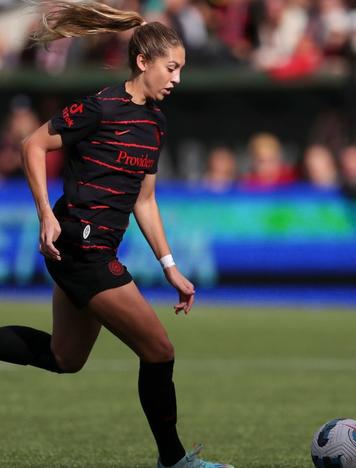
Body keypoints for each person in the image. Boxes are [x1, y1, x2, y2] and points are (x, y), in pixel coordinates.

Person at [0, 2, 233, 467]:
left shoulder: (155, 124)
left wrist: (170, 267)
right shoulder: (102, 105)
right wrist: (46, 213)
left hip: (93, 247)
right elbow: (32, 144)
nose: (177, 79)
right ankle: (175, 460)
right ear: (143, 62)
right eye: (172, 68)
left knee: (65, 357)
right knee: (159, 350)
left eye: (182, 70)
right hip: (80, 247)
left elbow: (145, 201)